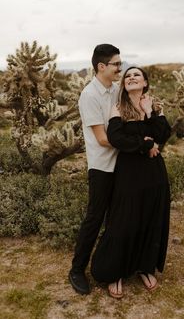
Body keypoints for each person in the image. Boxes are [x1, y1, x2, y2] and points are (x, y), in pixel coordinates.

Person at [91, 66, 171, 299]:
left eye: (137, 75)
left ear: (145, 82)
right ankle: (115, 271)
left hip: (154, 173)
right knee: (123, 219)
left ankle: (145, 267)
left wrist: (149, 113)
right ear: (124, 84)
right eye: (127, 76)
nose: (131, 77)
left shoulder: (154, 107)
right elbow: (116, 138)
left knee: (151, 217)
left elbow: (164, 135)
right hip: (129, 173)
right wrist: (145, 144)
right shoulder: (119, 108)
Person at [68, 44, 122, 295]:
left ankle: (108, 266)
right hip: (101, 166)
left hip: (122, 163)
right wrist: (136, 145)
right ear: (102, 66)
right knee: (95, 218)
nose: (120, 68)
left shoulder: (116, 90)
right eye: (116, 64)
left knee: (116, 217)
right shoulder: (89, 95)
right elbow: (101, 138)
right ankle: (77, 269)